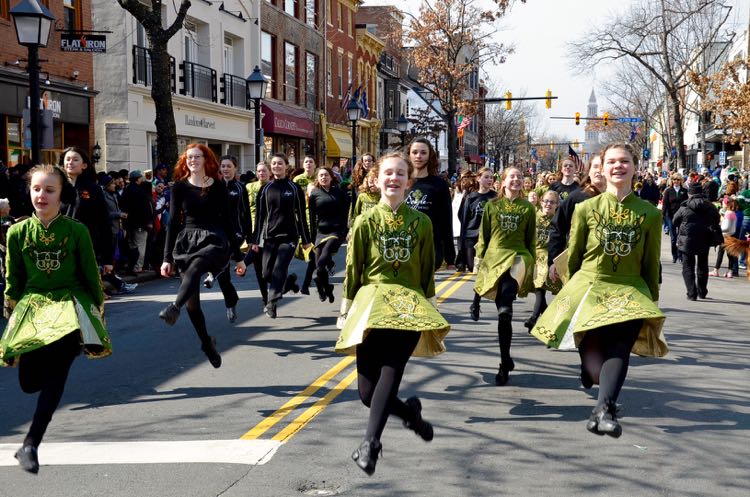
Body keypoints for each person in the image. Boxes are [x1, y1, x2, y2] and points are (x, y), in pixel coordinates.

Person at [531, 143, 668, 438]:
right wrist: (572, 295)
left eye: (625, 161)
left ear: (634, 168)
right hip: (590, 286)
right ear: (603, 169)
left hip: (631, 290)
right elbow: (575, 256)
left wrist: (650, 302)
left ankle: (605, 409)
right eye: (612, 162)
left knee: (620, 347)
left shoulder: (650, 214)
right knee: (594, 367)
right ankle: (599, 408)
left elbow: (650, 261)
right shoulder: (585, 208)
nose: (619, 166)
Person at [335, 152, 450, 476]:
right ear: (377, 178)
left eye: (400, 174)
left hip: (408, 308)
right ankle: (412, 415)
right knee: (368, 394)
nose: (394, 179)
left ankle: (370, 444)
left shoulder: (422, 223)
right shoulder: (365, 221)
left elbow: (427, 269)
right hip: (371, 306)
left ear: (408, 182)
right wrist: (346, 310)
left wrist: (430, 304)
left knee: (391, 369)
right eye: (388, 173)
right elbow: (354, 269)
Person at [0, 165, 111, 474]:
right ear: (29, 191)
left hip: (69, 307)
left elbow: (90, 275)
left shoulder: (77, 231)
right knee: (29, 382)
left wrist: (95, 316)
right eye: (37, 189)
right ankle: (30, 441)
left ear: (62, 195)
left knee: (58, 370)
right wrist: (12, 318)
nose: (42, 195)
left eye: (50, 190)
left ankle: (31, 443)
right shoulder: (16, 232)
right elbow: (14, 281)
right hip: (33, 307)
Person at [158, 144, 246, 368]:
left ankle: (173, 308)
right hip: (187, 239)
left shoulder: (218, 187)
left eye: (197, 157)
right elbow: (172, 224)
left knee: (198, 264)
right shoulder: (179, 188)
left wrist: (238, 256)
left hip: (213, 239)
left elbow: (228, 221)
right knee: (193, 306)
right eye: (189, 157)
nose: (193, 160)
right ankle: (207, 343)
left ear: (206, 160)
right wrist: (166, 258)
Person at [473, 166, 536, 385]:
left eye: (520, 177)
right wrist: (479, 262)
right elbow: (484, 236)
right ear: (503, 181)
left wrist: (533, 267)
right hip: (494, 259)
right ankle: (505, 359)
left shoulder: (528, 208)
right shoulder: (492, 206)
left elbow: (531, 240)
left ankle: (503, 365)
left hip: (518, 258)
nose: (516, 180)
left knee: (506, 304)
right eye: (512, 176)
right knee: (503, 315)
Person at [250, 153, 311, 318]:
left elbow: (301, 216)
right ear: (271, 168)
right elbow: (260, 217)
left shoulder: (294, 188)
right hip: (270, 237)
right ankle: (289, 282)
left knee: (279, 268)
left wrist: (305, 240)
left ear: (286, 166)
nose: (277, 166)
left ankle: (271, 301)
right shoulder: (266, 188)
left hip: (289, 237)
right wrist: (255, 240)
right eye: (274, 164)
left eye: (280, 164)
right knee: (266, 274)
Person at [205, 155, 251, 322]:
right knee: (225, 276)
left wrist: (250, 235)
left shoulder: (240, 188)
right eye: (222, 166)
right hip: (218, 231)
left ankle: (212, 274)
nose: (225, 169)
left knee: (223, 253)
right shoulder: (213, 187)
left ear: (235, 168)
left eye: (228, 166)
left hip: (236, 232)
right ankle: (231, 302)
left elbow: (246, 214)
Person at [548, 155, 606, 283]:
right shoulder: (577, 197)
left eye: (602, 167)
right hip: (580, 263)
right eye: (595, 167)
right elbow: (558, 228)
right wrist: (553, 260)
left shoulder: (619, 197)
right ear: (589, 171)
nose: (598, 171)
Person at [61, 147, 114, 276]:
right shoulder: (55, 187)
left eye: (75, 159)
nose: (70, 162)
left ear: (84, 165)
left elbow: (104, 223)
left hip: (87, 246)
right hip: (60, 247)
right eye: (67, 159)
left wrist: (107, 259)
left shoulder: (93, 189)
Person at [406, 137, 454, 270]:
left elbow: (446, 220)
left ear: (430, 156)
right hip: (403, 245)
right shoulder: (401, 182)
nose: (418, 156)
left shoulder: (439, 185)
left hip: (430, 246)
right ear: (409, 154)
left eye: (423, 152)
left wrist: (450, 256)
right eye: (415, 152)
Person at [459, 167, 497, 320]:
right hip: (471, 236)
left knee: (483, 271)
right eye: (486, 177)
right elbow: (463, 217)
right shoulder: (471, 197)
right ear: (479, 179)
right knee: (473, 268)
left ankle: (476, 303)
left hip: (489, 238)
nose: (489, 180)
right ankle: (476, 301)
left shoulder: (496, 197)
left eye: (491, 177)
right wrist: (461, 244)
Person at [673, 183, 721, 300]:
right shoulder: (710, 206)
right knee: (703, 266)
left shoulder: (684, 207)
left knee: (688, 266)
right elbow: (717, 219)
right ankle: (702, 292)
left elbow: (675, 221)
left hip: (686, 240)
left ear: (690, 193)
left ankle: (691, 293)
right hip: (705, 238)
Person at [308, 167, 349, 302]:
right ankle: (326, 288)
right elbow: (312, 217)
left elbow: (345, 213)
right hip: (320, 233)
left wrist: (344, 230)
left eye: (326, 175)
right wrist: (312, 236)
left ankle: (318, 279)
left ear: (331, 177)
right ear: (317, 178)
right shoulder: (314, 194)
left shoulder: (340, 193)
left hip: (335, 232)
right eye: (321, 175)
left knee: (321, 263)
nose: (323, 177)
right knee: (320, 270)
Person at [524, 190, 562, 332]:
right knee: (539, 290)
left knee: (541, 290)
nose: (548, 204)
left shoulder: (559, 220)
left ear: (557, 205)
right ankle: (545, 324)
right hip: (535, 257)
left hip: (551, 259)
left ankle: (534, 319)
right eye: (546, 201)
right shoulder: (534, 216)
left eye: (552, 202)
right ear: (541, 202)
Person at [100, 175, 137, 295]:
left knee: (114, 256)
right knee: (109, 258)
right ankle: (111, 283)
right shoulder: (103, 196)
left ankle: (114, 282)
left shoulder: (114, 195)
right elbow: (105, 214)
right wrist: (118, 214)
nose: (114, 185)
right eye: (112, 184)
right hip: (108, 230)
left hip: (116, 229)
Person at [120, 169, 153, 274]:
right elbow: (145, 208)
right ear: (138, 179)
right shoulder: (140, 191)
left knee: (132, 245)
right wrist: (148, 221)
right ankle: (138, 266)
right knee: (141, 244)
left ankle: (132, 265)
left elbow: (123, 205)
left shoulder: (126, 190)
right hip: (140, 223)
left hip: (129, 223)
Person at [662, 173, 688, 263]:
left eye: (678, 180)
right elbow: (665, 204)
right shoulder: (668, 191)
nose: (676, 181)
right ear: (672, 181)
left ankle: (681, 255)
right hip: (670, 216)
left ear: (680, 181)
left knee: (681, 237)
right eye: (674, 180)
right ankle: (675, 255)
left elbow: (686, 203)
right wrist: (662, 215)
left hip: (681, 216)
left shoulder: (684, 191)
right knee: (673, 238)